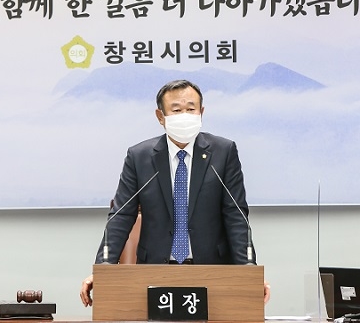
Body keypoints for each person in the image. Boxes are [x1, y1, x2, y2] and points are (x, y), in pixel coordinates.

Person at [80, 79, 270, 306]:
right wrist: (103, 269)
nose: (185, 116)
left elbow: (236, 215)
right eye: (177, 110)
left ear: (202, 112)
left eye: (191, 109)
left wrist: (248, 271)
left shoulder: (224, 152)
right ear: (160, 117)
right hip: (153, 272)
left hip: (212, 270)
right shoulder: (139, 157)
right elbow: (121, 216)